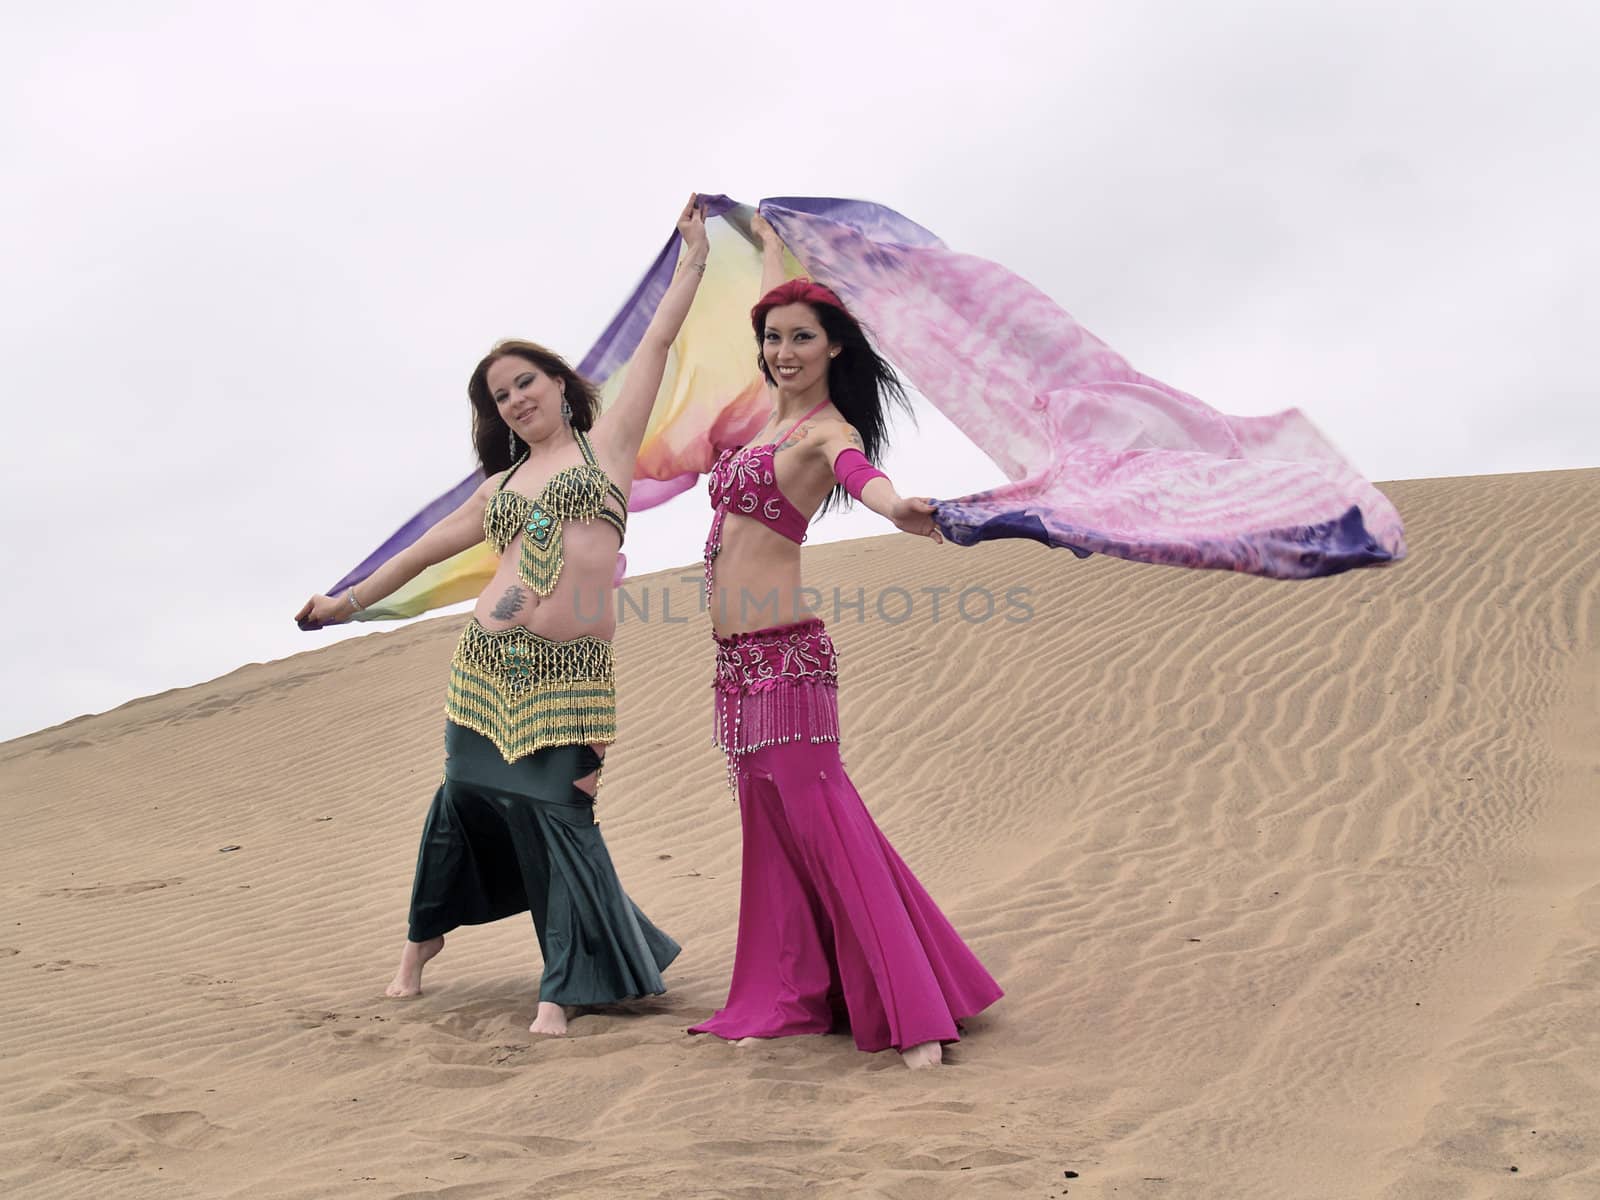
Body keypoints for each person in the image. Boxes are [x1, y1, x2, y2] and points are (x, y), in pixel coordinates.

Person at [296, 196, 710, 1036]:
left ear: (559, 382)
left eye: (527, 380)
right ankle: (421, 945)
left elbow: (656, 342)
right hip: (488, 665)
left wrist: (693, 256)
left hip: (575, 673)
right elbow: (423, 550)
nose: (517, 397)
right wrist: (344, 605)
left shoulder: (611, 448)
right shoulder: (499, 489)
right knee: (463, 798)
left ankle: (565, 982)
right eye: (501, 394)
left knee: (560, 813)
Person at [689, 213, 1002, 1069]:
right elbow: (774, 307)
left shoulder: (826, 432)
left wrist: (899, 508)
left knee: (827, 825)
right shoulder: (762, 422)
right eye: (774, 340)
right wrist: (753, 244)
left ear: (834, 348)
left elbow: (863, 477)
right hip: (736, 665)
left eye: (802, 338)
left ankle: (916, 1014)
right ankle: (789, 995)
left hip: (787, 658)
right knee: (773, 830)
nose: (784, 351)